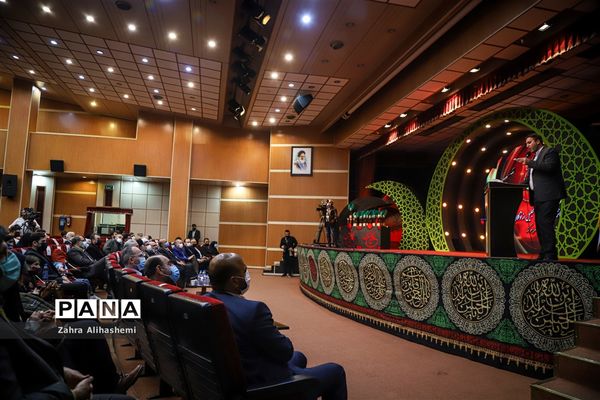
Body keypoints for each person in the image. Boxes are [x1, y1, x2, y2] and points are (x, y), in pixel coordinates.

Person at [206, 253, 347, 400]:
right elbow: (285, 351)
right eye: (245, 270)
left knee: (300, 356)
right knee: (335, 371)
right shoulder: (253, 311)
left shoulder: (204, 302)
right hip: (259, 386)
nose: (247, 275)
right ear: (235, 281)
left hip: (227, 378)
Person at [515, 133, 566, 261]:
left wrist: (529, 162)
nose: (527, 146)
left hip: (549, 195)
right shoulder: (535, 157)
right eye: (526, 143)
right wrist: (512, 185)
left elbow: (549, 167)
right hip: (538, 196)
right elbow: (529, 179)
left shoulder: (550, 152)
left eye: (529, 142)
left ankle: (550, 254)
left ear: (538, 141)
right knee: (539, 225)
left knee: (545, 224)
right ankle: (544, 252)